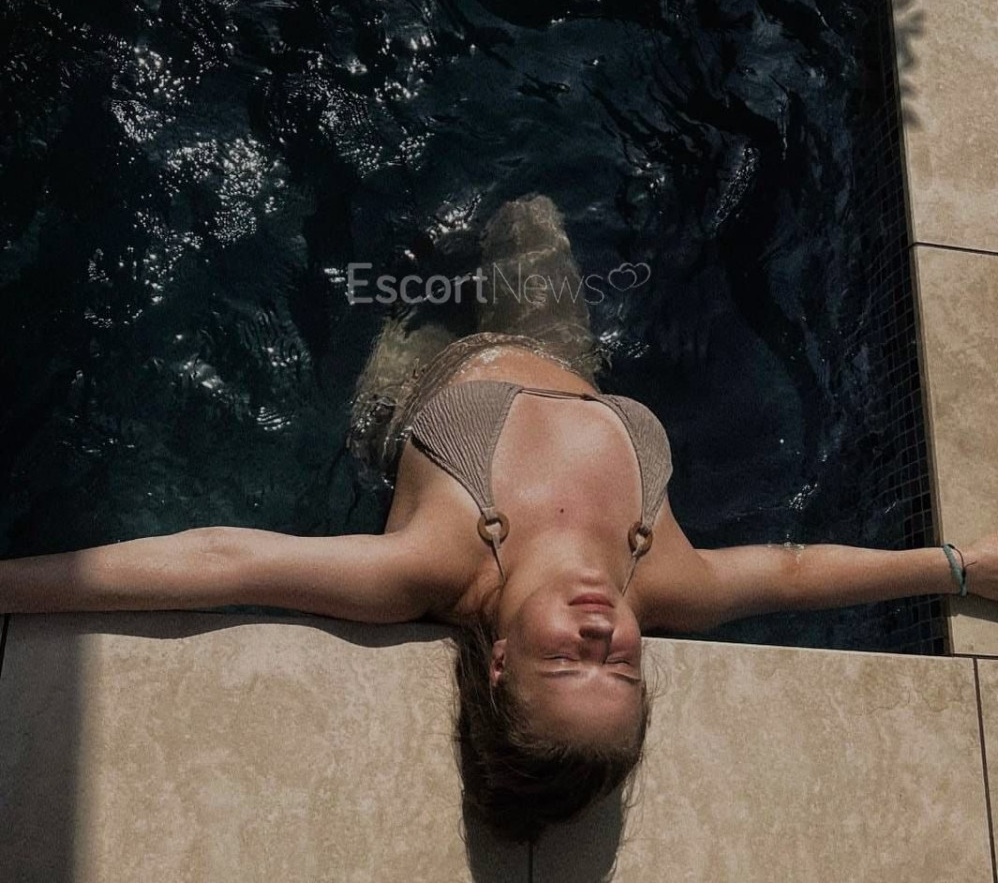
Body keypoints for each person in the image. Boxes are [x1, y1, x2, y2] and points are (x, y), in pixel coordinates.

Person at [0, 194, 993, 844]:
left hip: (412, 380)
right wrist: (958, 566)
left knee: (383, 261)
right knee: (528, 211)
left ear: (500, 662)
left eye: (567, 663)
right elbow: (795, 570)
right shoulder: (666, 578)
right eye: (622, 670)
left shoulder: (429, 566)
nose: (602, 636)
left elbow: (219, 558)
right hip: (555, 349)